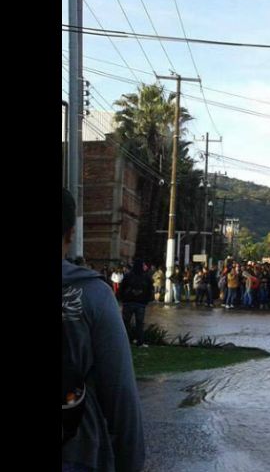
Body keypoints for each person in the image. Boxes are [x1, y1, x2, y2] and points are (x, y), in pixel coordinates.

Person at [62, 188, 145, 472]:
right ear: (71, 234)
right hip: (75, 448)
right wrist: (131, 463)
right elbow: (119, 390)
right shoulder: (94, 294)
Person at [119, 259, 154, 347]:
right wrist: (146, 300)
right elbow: (150, 290)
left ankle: (124, 342)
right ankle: (140, 342)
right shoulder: (146, 277)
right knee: (139, 323)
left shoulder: (128, 276)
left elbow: (121, 288)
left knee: (125, 323)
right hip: (140, 303)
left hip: (128, 302)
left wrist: (122, 299)